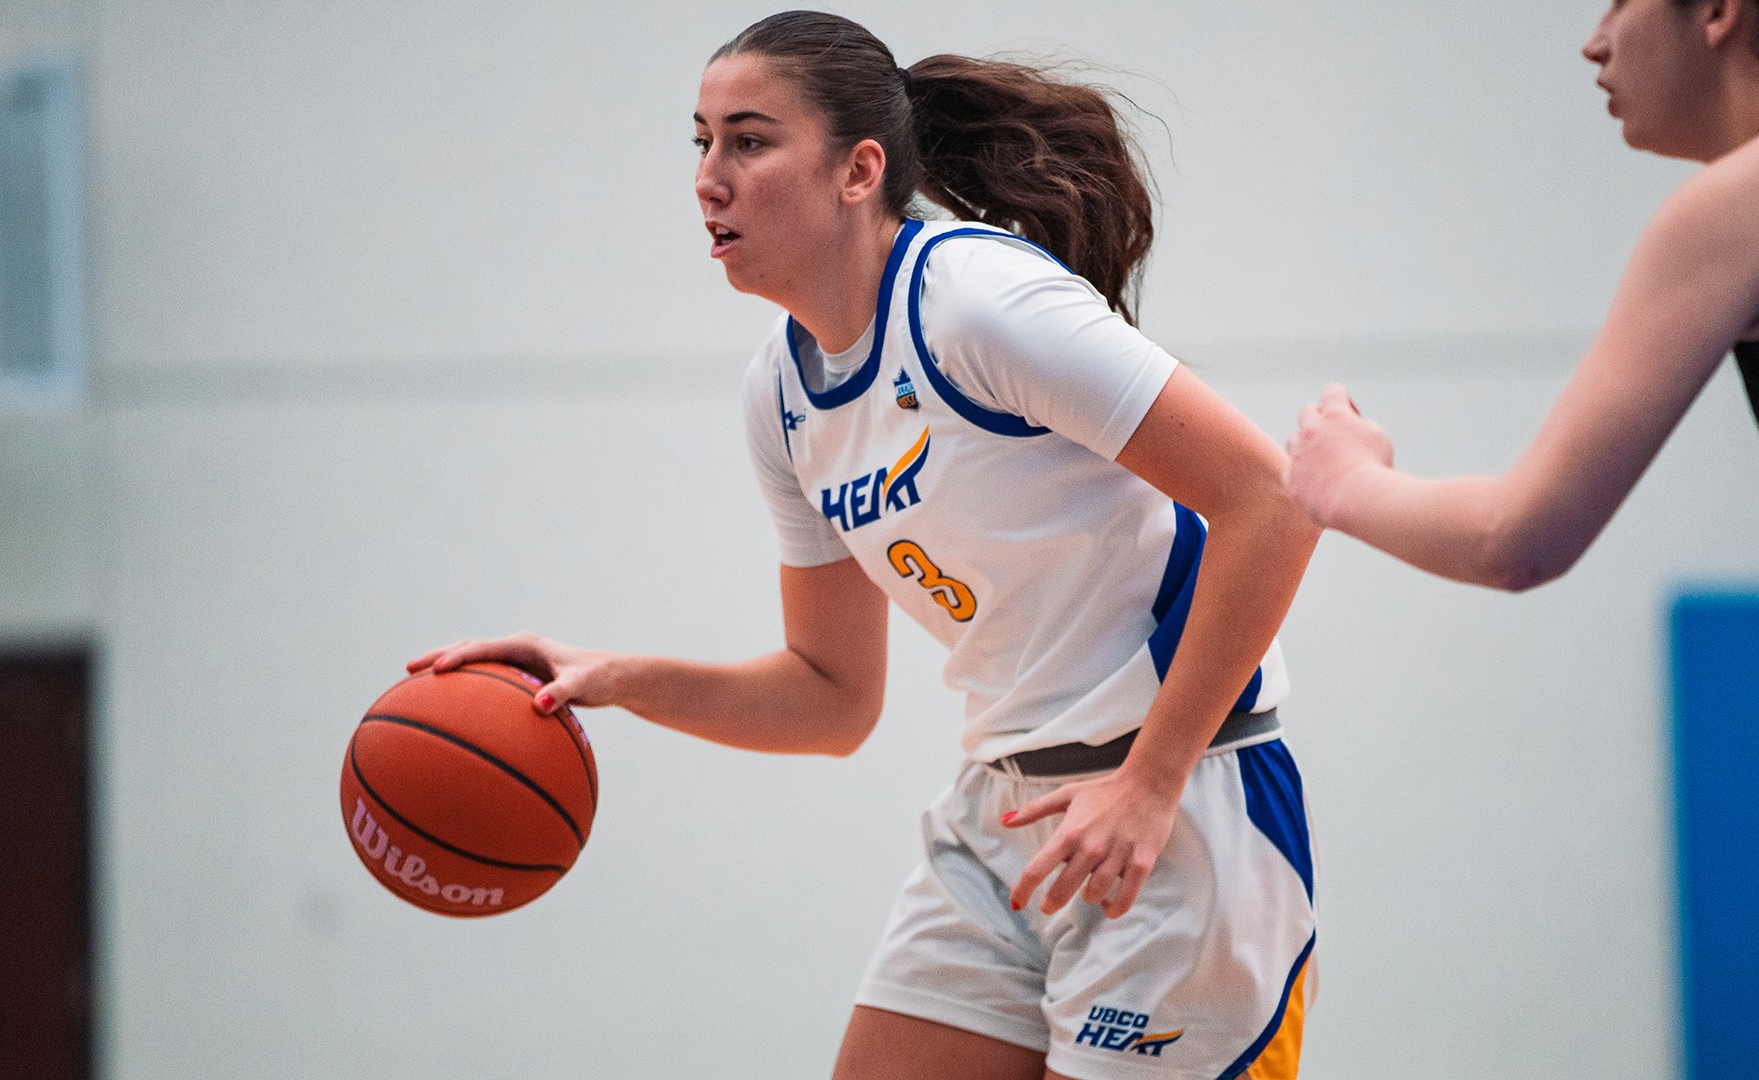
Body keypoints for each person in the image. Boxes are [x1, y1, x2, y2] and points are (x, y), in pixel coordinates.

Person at [412, 11, 1323, 1080]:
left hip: (1180, 805)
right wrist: (612, 679)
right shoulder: (780, 393)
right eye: (700, 142)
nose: (708, 178)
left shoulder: (977, 303)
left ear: (859, 171)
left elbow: (1274, 501)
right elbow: (831, 695)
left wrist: (1153, 781)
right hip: (1002, 813)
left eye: (749, 142)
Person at [1282, 0, 1759, 1075]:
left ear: (1718, 13)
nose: (1595, 39)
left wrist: (1344, 483)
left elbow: (1517, 537)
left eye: (1620, 1)